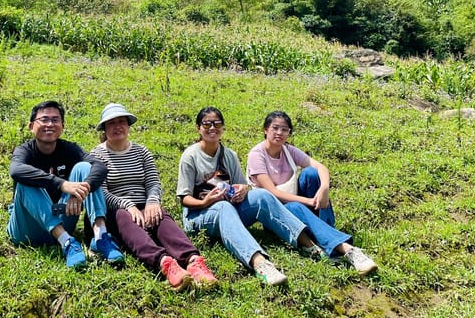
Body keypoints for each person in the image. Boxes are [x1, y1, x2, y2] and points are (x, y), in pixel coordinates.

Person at [176, 106, 325, 286]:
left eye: (217, 124)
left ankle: (308, 244)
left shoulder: (229, 155)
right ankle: (259, 263)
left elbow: (242, 184)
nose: (212, 128)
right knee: (224, 207)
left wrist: (242, 190)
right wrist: (206, 201)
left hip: (228, 209)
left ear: (223, 128)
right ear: (198, 128)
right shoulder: (190, 156)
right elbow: (184, 198)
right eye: (207, 124)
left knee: (261, 194)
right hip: (198, 215)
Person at [90, 103, 219, 291]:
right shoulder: (97, 155)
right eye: (111, 123)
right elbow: (101, 192)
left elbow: (153, 183)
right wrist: (127, 205)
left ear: (128, 125)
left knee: (162, 218)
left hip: (144, 202)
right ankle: (165, 263)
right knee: (124, 218)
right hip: (116, 208)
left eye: (121, 122)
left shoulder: (142, 152)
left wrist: (152, 202)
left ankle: (193, 261)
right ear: (104, 128)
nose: (117, 127)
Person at [246, 110, 377, 275]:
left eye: (284, 129)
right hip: (275, 215)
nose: (279, 133)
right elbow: (272, 192)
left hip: (296, 204)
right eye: (275, 128)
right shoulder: (256, 155)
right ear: (265, 130)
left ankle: (326, 231)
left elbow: (321, 167)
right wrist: (307, 201)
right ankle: (349, 250)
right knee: (293, 206)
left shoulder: (288, 150)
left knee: (311, 174)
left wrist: (324, 189)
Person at [7, 99, 124, 270]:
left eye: (55, 120)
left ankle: (100, 236)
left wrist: (79, 192)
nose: (50, 124)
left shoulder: (70, 149)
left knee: (85, 168)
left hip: (62, 216)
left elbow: (100, 167)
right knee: (26, 180)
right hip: (26, 229)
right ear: (31, 126)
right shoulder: (24, 151)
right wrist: (62, 185)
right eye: (44, 119)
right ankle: (67, 243)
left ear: (62, 126)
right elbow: (16, 170)